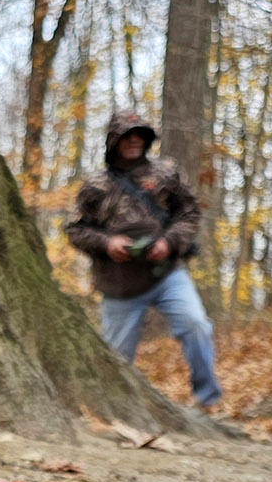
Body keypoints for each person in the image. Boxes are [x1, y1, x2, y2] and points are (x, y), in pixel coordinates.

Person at [65, 108, 222, 410]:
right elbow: (75, 229)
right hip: (119, 286)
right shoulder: (95, 185)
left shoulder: (166, 172)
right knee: (116, 357)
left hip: (166, 274)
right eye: (127, 135)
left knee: (196, 324)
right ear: (114, 141)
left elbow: (189, 213)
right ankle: (118, 410)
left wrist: (168, 242)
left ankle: (208, 399)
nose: (134, 140)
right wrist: (107, 243)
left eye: (140, 135)